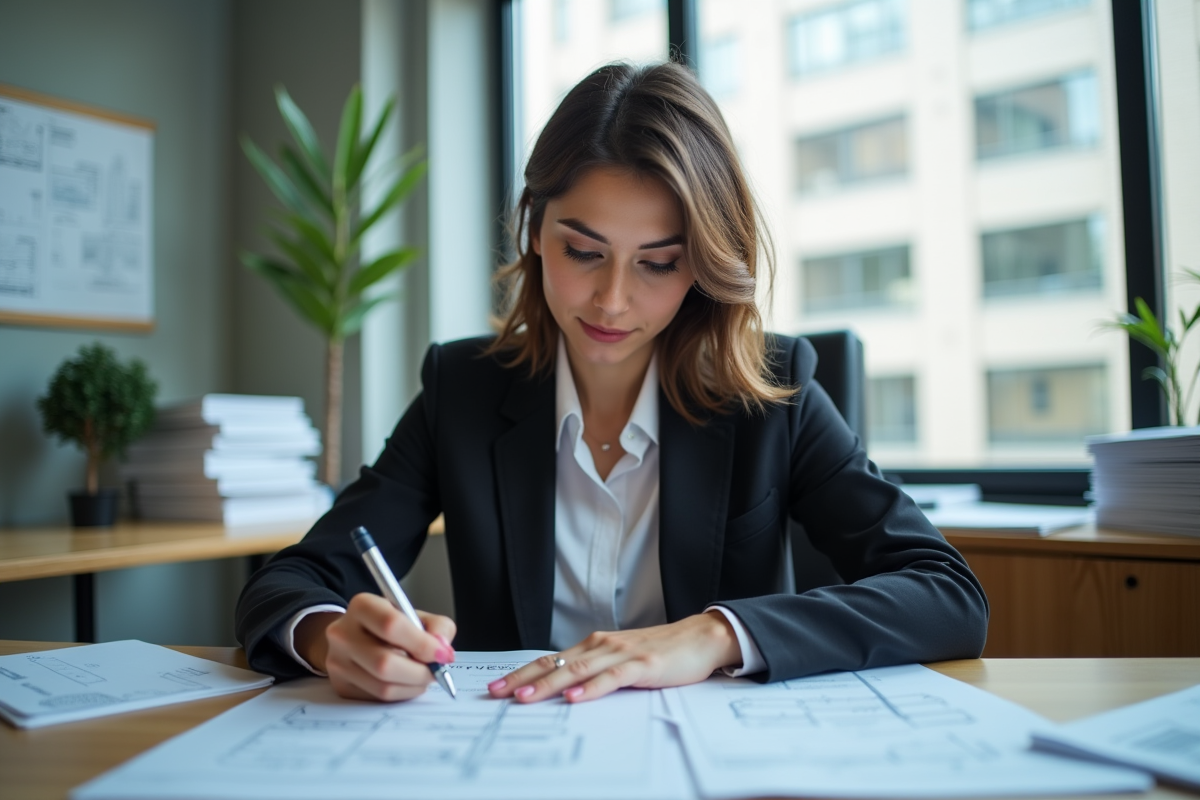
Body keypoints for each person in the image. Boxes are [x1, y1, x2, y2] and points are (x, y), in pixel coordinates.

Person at [235, 61, 988, 705]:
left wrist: (715, 635)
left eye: (658, 262)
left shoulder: (773, 394)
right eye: (583, 250)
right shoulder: (462, 389)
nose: (612, 300)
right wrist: (331, 637)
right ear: (535, 230)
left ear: (700, 265)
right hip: (518, 754)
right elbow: (292, 582)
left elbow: (947, 594)